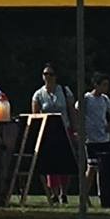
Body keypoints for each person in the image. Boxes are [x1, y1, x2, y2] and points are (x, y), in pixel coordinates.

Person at [28, 64, 77, 203]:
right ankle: (54, 193)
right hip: (47, 132)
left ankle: (64, 192)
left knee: (65, 162)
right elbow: (35, 114)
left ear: (56, 76)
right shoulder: (38, 94)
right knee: (50, 164)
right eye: (45, 74)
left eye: (50, 74)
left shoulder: (64, 91)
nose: (47, 77)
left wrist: (75, 130)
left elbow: (72, 112)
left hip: (64, 129)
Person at [80, 73, 110, 199]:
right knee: (91, 168)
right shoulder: (86, 98)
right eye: (104, 85)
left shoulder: (105, 99)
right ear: (96, 85)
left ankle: (103, 195)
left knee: (103, 170)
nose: (106, 88)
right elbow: (77, 112)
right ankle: (84, 195)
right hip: (91, 140)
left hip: (104, 139)